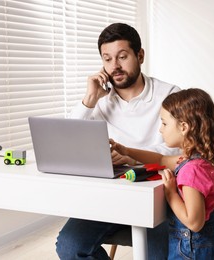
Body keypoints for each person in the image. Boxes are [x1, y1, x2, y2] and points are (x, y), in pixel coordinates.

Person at [55, 23, 181, 259]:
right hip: (110, 194)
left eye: (122, 57)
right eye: (107, 59)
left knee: (159, 254)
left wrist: (132, 155)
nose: (115, 66)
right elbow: (68, 140)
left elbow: (180, 151)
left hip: (159, 193)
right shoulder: (100, 100)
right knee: (70, 246)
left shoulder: (170, 95)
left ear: (140, 55)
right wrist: (90, 97)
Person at [110, 88, 214, 259]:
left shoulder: (192, 170)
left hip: (191, 252)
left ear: (184, 127)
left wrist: (170, 193)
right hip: (208, 249)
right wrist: (127, 151)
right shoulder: (200, 159)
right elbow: (161, 159)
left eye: (164, 123)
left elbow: (194, 222)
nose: (160, 129)